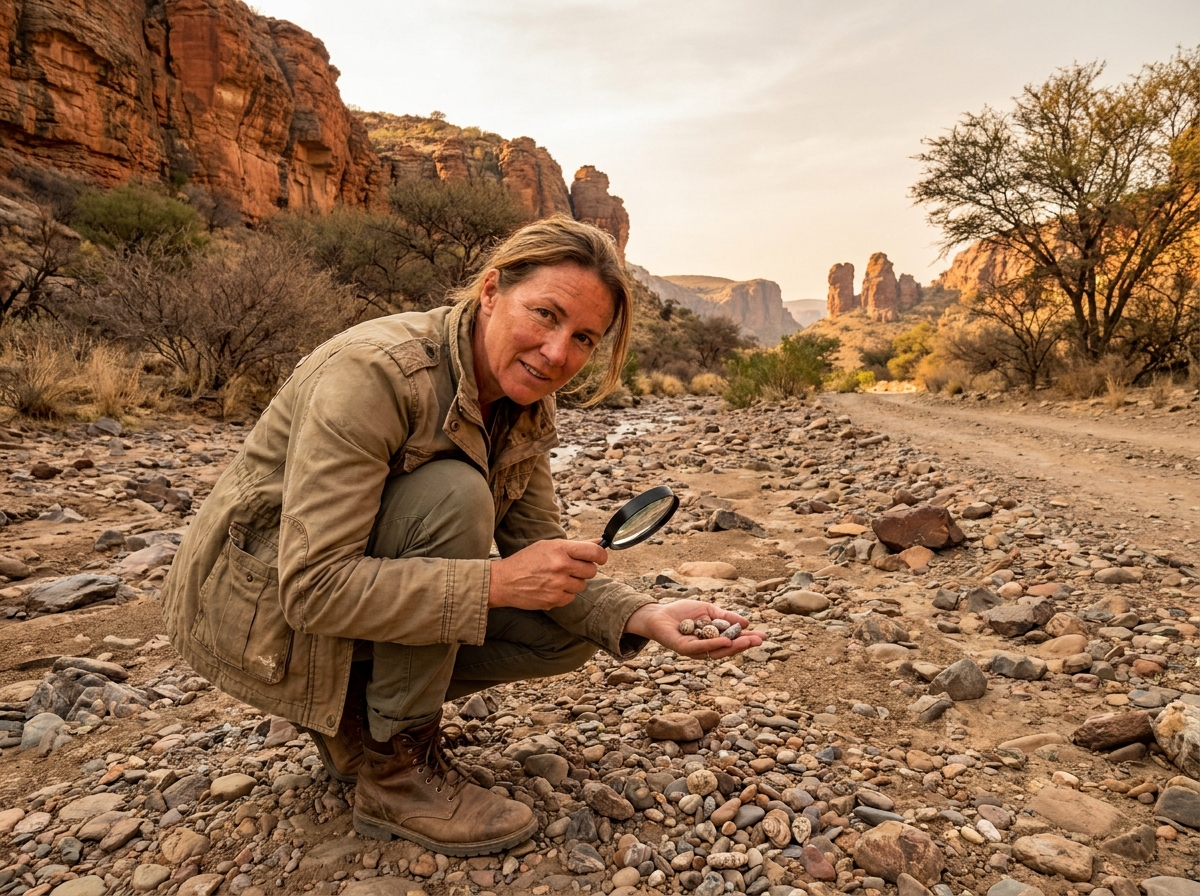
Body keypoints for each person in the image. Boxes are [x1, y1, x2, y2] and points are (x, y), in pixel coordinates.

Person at [162, 215, 763, 857]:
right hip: (255, 619)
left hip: (325, 611)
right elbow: (311, 591)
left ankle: (354, 718)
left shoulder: (525, 394)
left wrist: (639, 615)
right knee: (452, 495)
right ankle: (396, 775)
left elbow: (537, 543)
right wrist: (497, 583)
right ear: (490, 290)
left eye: (584, 337)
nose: (559, 353)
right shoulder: (375, 375)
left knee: (571, 631)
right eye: (544, 315)